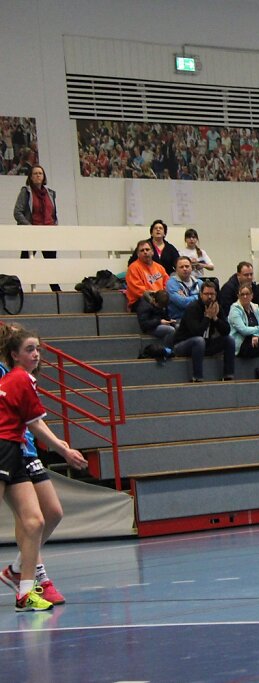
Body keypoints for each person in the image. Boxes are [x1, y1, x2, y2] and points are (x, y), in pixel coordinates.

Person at [0, 326, 88, 611]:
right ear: (14, 353)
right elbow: (36, 423)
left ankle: (24, 590)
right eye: (29, 349)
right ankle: (33, 578)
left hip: (17, 449)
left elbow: (32, 422)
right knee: (30, 520)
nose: (36, 353)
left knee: (37, 520)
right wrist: (64, 449)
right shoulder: (16, 378)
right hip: (4, 447)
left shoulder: (22, 379)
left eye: (37, 349)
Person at [171, 280, 235, 382]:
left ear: (216, 295)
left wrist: (215, 318)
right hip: (183, 345)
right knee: (199, 341)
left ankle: (228, 375)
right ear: (201, 295)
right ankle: (197, 377)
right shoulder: (193, 308)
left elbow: (226, 331)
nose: (209, 297)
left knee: (229, 340)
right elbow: (197, 332)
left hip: (204, 344)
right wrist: (207, 317)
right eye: (206, 294)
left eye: (212, 294)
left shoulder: (216, 307)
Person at [13, 165, 59, 291]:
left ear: (44, 177)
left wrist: (55, 226)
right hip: (32, 233)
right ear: (31, 177)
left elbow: (54, 214)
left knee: (51, 263)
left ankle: (57, 292)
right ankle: (16, 289)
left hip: (48, 233)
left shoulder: (50, 193)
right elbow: (17, 212)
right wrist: (30, 227)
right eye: (35, 173)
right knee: (25, 262)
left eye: (40, 173)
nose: (38, 175)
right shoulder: (26, 192)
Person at [125, 240, 168, 312]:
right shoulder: (133, 268)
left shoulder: (159, 267)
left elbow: (167, 283)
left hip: (159, 299)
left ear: (152, 252)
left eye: (147, 249)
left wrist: (163, 296)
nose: (145, 252)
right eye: (142, 250)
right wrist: (155, 298)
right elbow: (138, 290)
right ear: (138, 254)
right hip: (141, 301)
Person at [165, 256, 204, 322]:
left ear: (191, 267)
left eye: (187, 266)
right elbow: (183, 303)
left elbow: (208, 300)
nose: (185, 269)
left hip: (198, 317)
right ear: (176, 269)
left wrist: (187, 298)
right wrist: (200, 296)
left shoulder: (199, 283)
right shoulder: (171, 283)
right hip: (180, 319)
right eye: (181, 267)